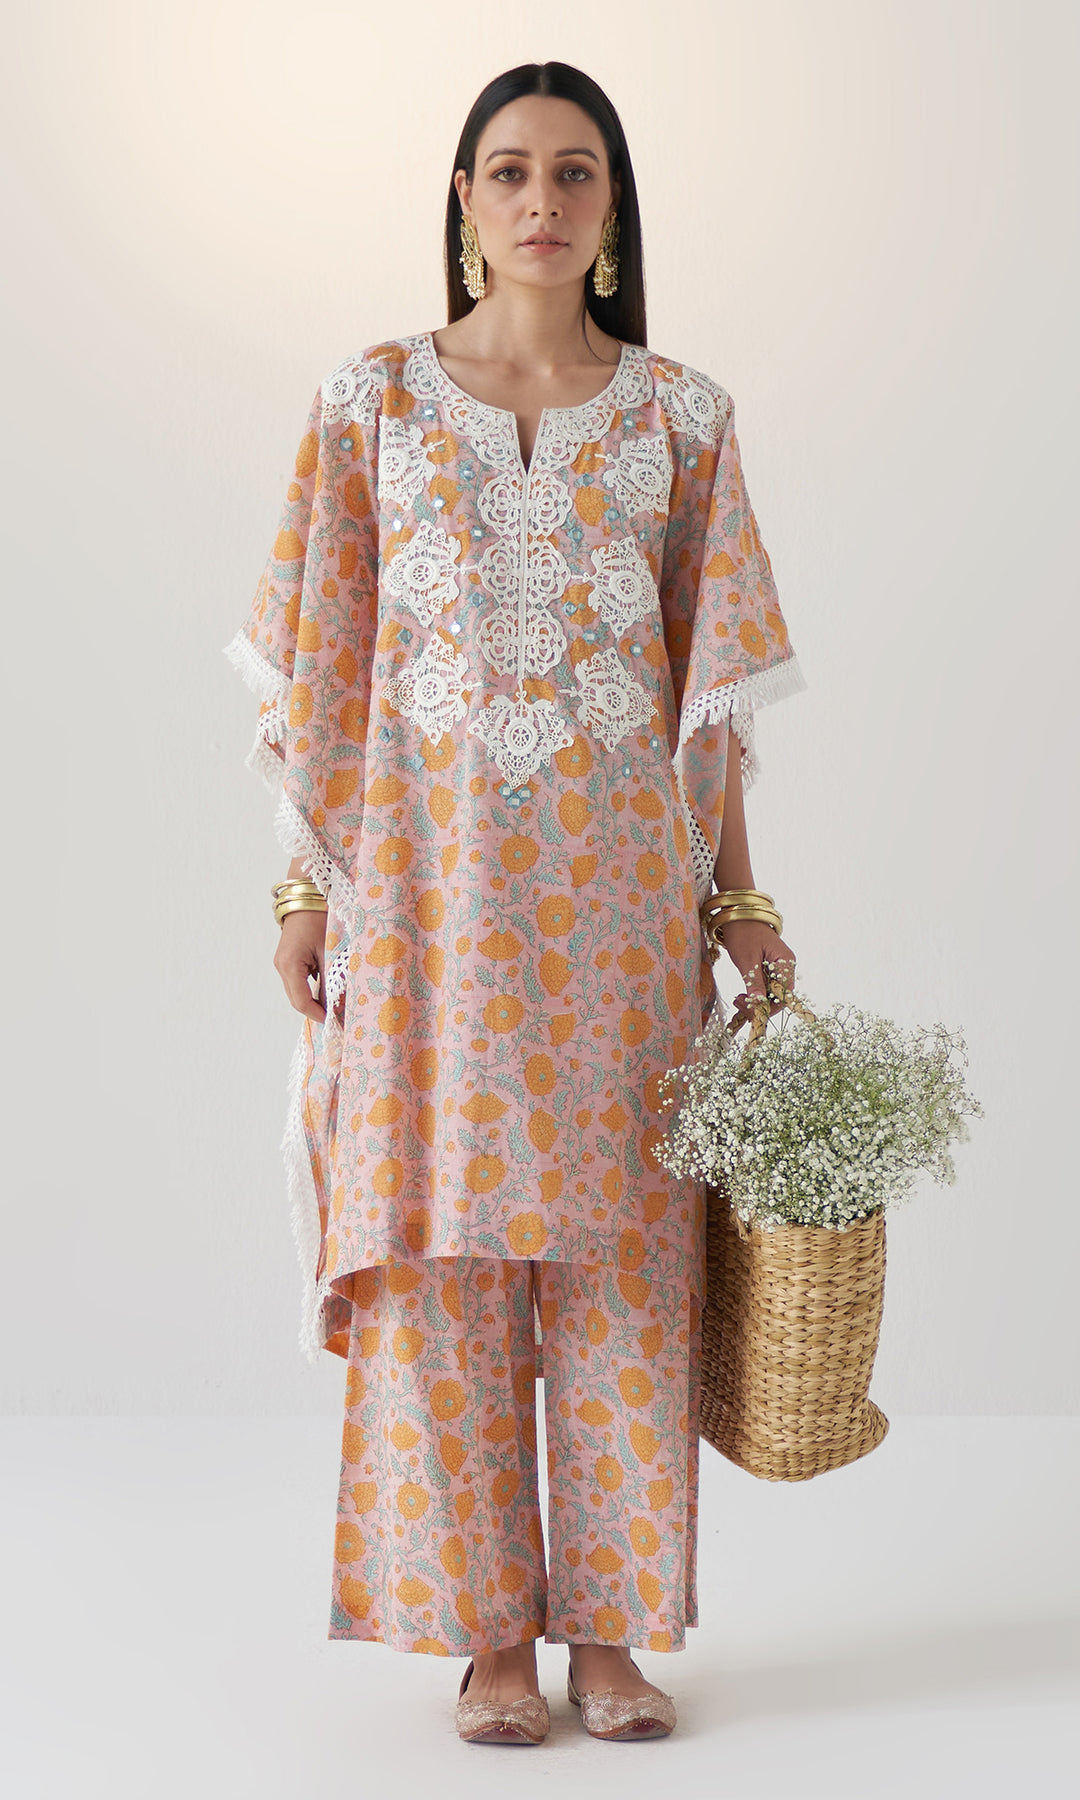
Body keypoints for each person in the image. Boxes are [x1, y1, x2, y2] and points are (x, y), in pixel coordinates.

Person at [224, 59, 806, 1745]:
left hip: (619, 922)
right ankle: (487, 1632)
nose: (540, 199)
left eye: (573, 172)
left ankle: (609, 1631)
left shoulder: (684, 418)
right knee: (448, 1255)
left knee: (622, 1256)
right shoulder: (372, 406)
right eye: (508, 171)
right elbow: (324, 668)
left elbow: (710, 708)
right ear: (464, 202)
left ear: (612, 209)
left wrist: (742, 910)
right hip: (429, 919)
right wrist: (303, 883)